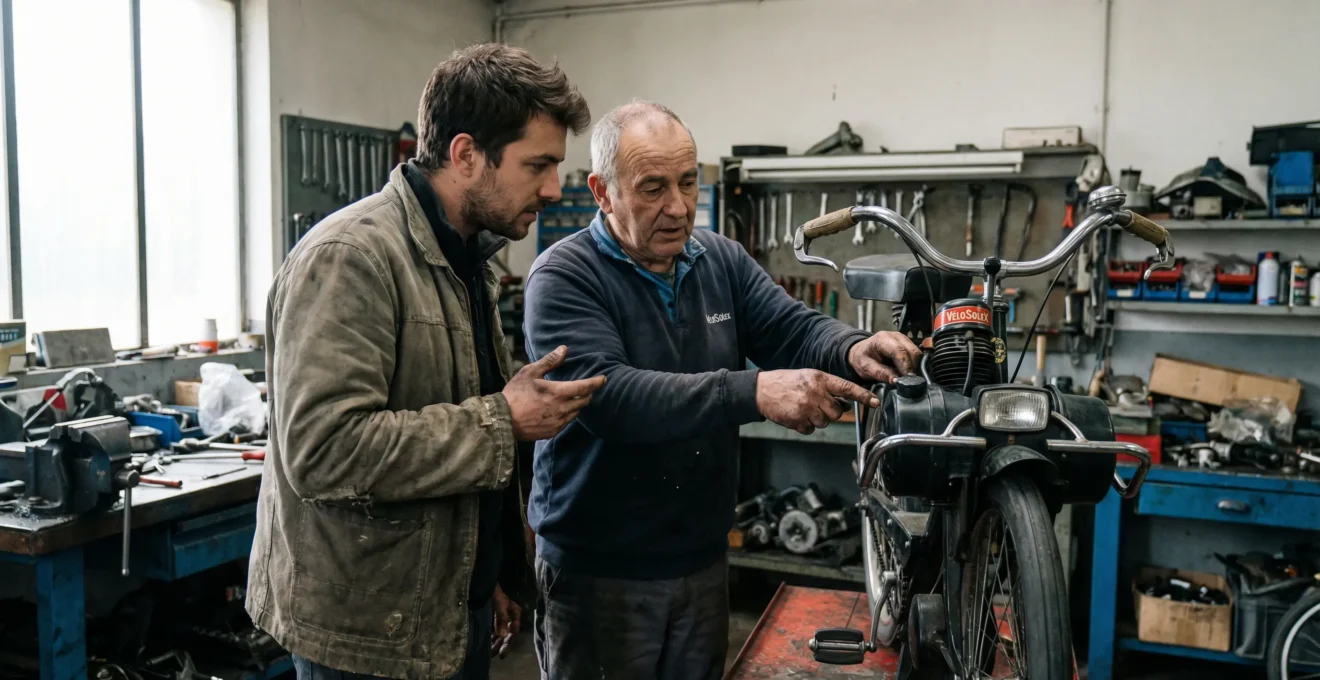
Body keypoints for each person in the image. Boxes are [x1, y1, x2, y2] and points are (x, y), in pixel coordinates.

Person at [522, 101, 923, 680]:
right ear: (602, 192)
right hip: (599, 572)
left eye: (687, 182)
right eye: (653, 188)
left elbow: (792, 328)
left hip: (702, 561)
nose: (679, 207)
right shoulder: (564, 277)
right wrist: (755, 391)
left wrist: (851, 348)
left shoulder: (720, 260)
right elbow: (611, 399)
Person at [246, 44, 604, 680]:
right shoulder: (351, 258)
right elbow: (325, 450)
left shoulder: (467, 259)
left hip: (440, 611)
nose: (553, 189)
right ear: (467, 155)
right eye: (538, 165)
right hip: (364, 636)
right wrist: (504, 421)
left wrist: (485, 573)